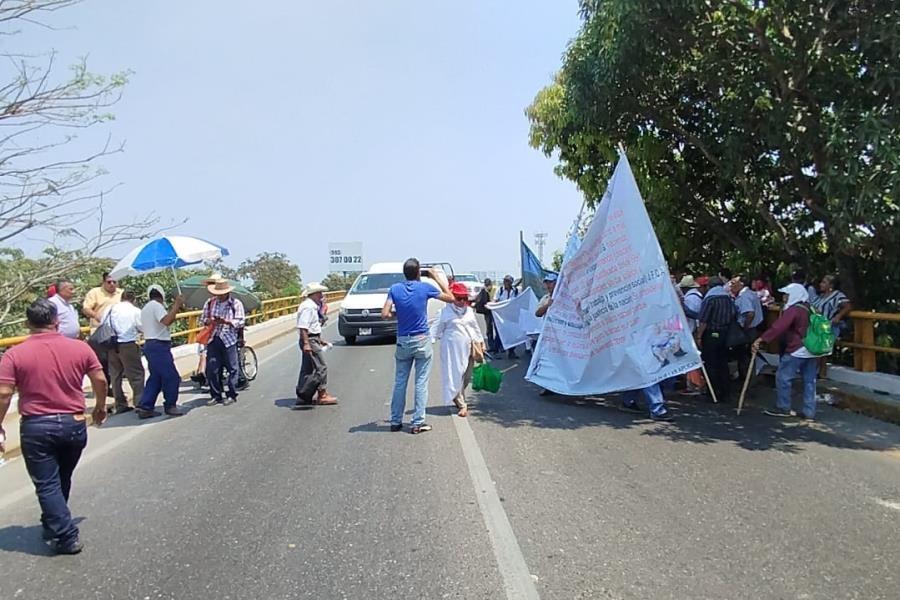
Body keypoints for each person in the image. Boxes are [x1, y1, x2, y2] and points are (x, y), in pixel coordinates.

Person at [0, 299, 108, 554]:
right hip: (74, 423)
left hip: (37, 426)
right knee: (61, 477)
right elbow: (100, 378)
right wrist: (100, 407)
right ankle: (53, 521)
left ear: (27, 324)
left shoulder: (14, 354)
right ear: (57, 321)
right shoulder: (79, 348)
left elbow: (4, 394)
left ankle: (66, 535)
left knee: (47, 483)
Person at [382, 258, 454, 434]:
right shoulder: (424, 288)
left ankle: (395, 420)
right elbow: (450, 298)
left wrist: (398, 315)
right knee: (421, 382)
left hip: (403, 339)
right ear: (418, 272)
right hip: (421, 338)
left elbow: (385, 313)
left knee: (400, 382)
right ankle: (417, 422)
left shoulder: (395, 289)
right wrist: (435, 277)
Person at [753, 283, 820, 419]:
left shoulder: (794, 310)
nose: (784, 298)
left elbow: (778, 327)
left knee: (783, 377)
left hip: (797, 348)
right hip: (812, 349)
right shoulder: (811, 308)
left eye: (787, 295)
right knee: (809, 380)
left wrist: (762, 339)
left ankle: (783, 407)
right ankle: (809, 411)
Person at [434, 282, 484, 417]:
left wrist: (481, 342)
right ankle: (462, 404)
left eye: (464, 299)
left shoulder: (468, 311)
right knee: (455, 374)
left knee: (466, 376)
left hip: (469, 347)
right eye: (459, 298)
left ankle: (457, 396)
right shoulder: (444, 312)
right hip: (451, 349)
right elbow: (437, 332)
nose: (462, 302)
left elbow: (475, 328)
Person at [137, 285, 185, 418]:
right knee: (171, 376)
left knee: (156, 378)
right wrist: (176, 304)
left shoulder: (146, 308)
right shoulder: (156, 306)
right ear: (161, 295)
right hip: (159, 345)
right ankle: (170, 405)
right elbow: (167, 321)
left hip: (150, 343)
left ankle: (145, 406)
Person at [200, 280, 246, 406]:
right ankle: (216, 395)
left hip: (229, 339)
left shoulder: (235, 304)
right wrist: (210, 321)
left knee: (232, 368)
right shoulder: (210, 303)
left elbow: (241, 321)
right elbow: (203, 319)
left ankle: (231, 394)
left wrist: (227, 321)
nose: (219, 296)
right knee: (212, 368)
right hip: (213, 338)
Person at [294, 282, 338, 407]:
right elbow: (303, 327)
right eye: (319, 293)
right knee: (321, 367)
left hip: (312, 339)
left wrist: (319, 340)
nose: (321, 295)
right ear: (313, 294)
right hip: (309, 340)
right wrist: (307, 343)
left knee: (307, 369)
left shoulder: (311, 306)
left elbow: (312, 327)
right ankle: (322, 394)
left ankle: (303, 396)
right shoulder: (308, 307)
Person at [695, 277, 735, 402]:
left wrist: (699, 336)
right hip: (725, 333)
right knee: (722, 363)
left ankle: (713, 391)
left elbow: (703, 320)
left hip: (711, 333)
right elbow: (734, 314)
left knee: (711, 363)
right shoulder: (728, 298)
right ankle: (725, 391)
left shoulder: (710, 298)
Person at [105, 290, 145, 414]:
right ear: (134, 299)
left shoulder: (110, 309)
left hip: (111, 344)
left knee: (115, 375)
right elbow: (142, 327)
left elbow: (103, 324)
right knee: (136, 374)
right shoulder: (135, 311)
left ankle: (120, 404)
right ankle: (140, 403)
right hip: (128, 344)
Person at [82, 272, 122, 395]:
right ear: (103, 282)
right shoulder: (94, 293)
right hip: (99, 333)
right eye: (109, 282)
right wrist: (98, 316)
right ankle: (102, 388)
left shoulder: (121, 293)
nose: (112, 284)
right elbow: (86, 308)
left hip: (117, 332)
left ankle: (115, 389)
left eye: (114, 282)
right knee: (102, 362)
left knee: (116, 362)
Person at [731, 275, 764, 386]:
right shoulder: (751, 294)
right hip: (752, 328)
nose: (731, 285)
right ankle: (747, 380)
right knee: (748, 356)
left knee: (745, 356)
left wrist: (745, 327)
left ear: (741, 284)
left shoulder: (745, 296)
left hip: (748, 329)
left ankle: (746, 382)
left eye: (734, 282)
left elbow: (750, 313)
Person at [534, 273, 558, 396]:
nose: (548, 285)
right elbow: (537, 313)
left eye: (551, 282)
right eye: (547, 283)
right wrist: (548, 305)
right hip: (548, 335)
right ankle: (546, 386)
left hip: (561, 337)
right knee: (546, 360)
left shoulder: (563, 297)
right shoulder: (545, 298)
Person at [813, 274, 852, 339]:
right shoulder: (820, 296)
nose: (820, 284)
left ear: (831, 285)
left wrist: (838, 316)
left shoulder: (837, 295)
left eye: (824, 283)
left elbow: (848, 306)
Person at [494, 275, 520, 359]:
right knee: (499, 333)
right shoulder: (500, 290)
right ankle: (496, 351)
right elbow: (496, 300)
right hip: (501, 316)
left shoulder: (516, 291)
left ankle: (511, 351)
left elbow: (519, 301)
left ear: (511, 283)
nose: (505, 283)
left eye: (507, 281)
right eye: (505, 281)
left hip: (511, 316)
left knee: (512, 334)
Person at [474, 278, 497, 354]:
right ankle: (492, 346)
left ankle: (498, 346)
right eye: (486, 285)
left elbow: (496, 299)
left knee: (498, 329)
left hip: (496, 311)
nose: (488, 287)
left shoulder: (495, 289)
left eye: (488, 285)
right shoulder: (484, 290)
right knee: (489, 329)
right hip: (488, 312)